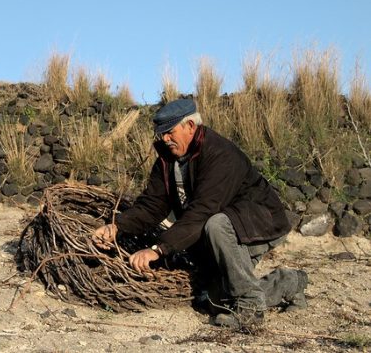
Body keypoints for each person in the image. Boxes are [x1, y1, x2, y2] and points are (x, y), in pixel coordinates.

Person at [92, 98, 308, 329]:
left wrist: (159, 249)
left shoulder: (220, 154)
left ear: (190, 127)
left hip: (260, 224)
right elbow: (152, 205)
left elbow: (203, 211)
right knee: (217, 301)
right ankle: (288, 282)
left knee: (216, 223)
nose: (165, 139)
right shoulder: (167, 160)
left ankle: (251, 307)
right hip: (226, 229)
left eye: (169, 132)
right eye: (161, 134)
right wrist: (117, 227)